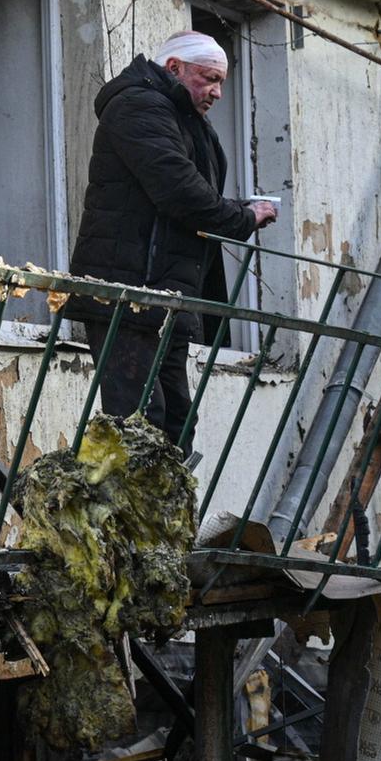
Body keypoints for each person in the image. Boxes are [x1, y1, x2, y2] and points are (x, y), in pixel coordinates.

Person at [68, 31, 278, 452]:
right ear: (174, 68)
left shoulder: (178, 116)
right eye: (209, 79)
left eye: (221, 81)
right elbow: (180, 191)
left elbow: (189, 192)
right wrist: (242, 217)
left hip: (162, 295)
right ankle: (129, 515)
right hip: (128, 295)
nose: (217, 92)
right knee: (141, 424)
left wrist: (236, 210)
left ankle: (158, 516)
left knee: (175, 425)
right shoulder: (138, 105)